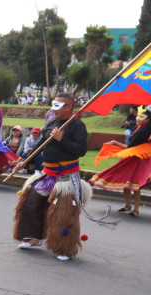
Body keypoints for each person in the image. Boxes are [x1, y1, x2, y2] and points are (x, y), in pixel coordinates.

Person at [12, 93, 91, 261]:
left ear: (69, 107)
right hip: (47, 173)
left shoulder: (78, 126)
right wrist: (25, 161)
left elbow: (81, 150)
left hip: (66, 176)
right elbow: (41, 145)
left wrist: (62, 139)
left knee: (63, 212)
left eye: (58, 105)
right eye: (53, 105)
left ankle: (64, 248)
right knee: (31, 202)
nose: (53, 109)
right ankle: (34, 237)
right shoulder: (51, 123)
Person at [90, 109, 151, 217]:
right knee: (127, 183)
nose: (138, 119)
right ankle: (128, 206)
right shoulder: (141, 128)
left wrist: (114, 142)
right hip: (132, 157)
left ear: (147, 120)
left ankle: (135, 210)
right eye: (138, 116)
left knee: (136, 185)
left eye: (141, 117)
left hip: (138, 160)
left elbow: (129, 147)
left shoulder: (143, 131)